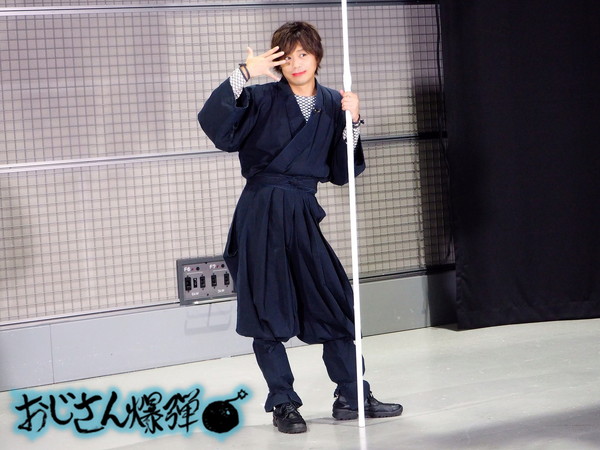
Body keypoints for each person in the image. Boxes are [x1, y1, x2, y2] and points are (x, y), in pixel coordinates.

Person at [198, 21, 402, 434]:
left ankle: (352, 395)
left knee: (334, 301)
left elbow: (342, 172)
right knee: (267, 309)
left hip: (303, 212)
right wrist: (244, 73)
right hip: (262, 211)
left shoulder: (333, 102)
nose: (296, 64)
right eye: (287, 57)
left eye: (303, 55)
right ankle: (284, 403)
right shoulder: (260, 98)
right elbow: (219, 129)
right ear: (277, 63)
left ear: (317, 56)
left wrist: (353, 121)